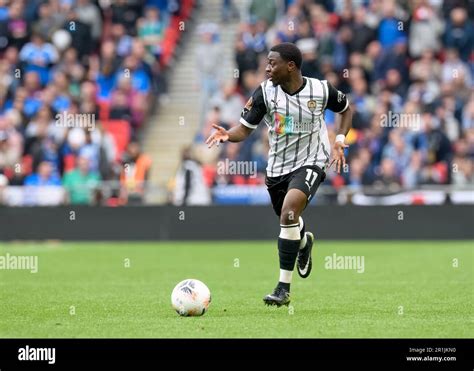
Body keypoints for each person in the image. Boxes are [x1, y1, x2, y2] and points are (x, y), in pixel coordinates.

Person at [206, 42, 352, 306]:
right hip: (277, 168)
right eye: (267, 62)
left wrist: (340, 138)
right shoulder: (264, 93)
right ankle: (304, 241)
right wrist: (228, 134)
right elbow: (244, 128)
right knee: (289, 221)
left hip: (312, 160)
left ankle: (283, 289)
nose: (267, 67)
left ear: (291, 66)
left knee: (288, 212)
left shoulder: (319, 89)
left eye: (273, 63)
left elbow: (345, 109)